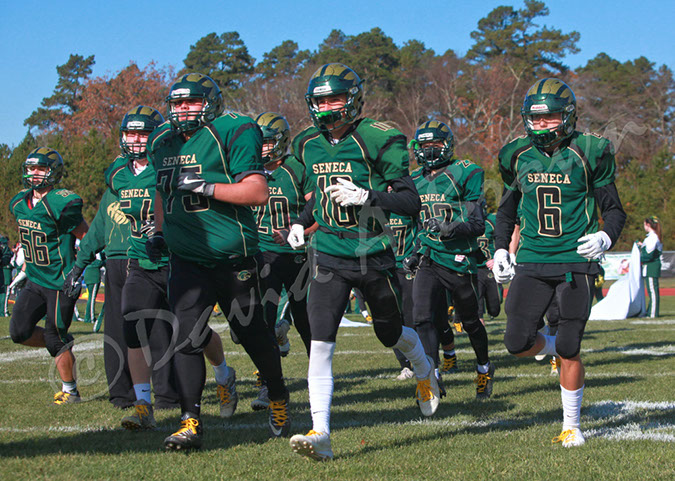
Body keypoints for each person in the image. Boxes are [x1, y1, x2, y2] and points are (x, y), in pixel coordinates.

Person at [286, 63, 437, 461]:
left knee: (390, 333)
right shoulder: (307, 143)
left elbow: (411, 201)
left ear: (353, 100)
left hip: (373, 255)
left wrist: (368, 196)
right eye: (319, 101)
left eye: (334, 99)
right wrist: (300, 223)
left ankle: (423, 368)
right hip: (328, 255)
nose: (326, 107)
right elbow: (318, 196)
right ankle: (321, 433)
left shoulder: (378, 138)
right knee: (320, 342)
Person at [147, 73, 291, 451]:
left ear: (210, 103)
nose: (183, 109)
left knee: (252, 334)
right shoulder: (161, 140)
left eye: (191, 101)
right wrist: (159, 232)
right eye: (177, 103)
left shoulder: (234, 129)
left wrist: (206, 187)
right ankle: (190, 421)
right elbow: (162, 190)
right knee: (186, 338)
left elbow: (257, 192)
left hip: (233, 256)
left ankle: (278, 394)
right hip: (187, 259)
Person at [493, 78, 626, 447]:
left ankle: (572, 426)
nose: (541, 125)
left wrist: (605, 237)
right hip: (532, 259)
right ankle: (557, 344)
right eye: (535, 118)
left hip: (575, 260)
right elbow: (505, 212)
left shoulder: (590, 150)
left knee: (570, 348)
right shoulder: (516, 154)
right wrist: (501, 249)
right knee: (516, 342)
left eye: (549, 117)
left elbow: (614, 210)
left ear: (567, 117)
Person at [406, 120, 493, 400]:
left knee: (470, 322)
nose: (430, 151)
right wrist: (415, 252)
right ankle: (431, 374)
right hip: (430, 257)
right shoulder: (414, 179)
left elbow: (478, 224)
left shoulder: (466, 172)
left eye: (435, 144)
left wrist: (450, 227)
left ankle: (484, 367)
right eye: (424, 145)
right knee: (422, 318)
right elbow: (418, 224)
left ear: (448, 145)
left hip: (459, 259)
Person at [9, 147, 88, 404]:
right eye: (31, 168)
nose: (34, 173)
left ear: (53, 172)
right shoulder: (19, 203)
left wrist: (80, 269)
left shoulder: (60, 203)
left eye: (40, 168)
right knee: (19, 332)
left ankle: (70, 391)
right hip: (35, 279)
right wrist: (24, 269)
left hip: (59, 281)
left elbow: (85, 237)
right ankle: (63, 341)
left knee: (55, 337)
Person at [252, 111, 314, 410]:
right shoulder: (248, 169)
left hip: (297, 255)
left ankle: (318, 380)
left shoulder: (296, 169)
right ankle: (269, 383)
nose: (263, 148)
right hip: (262, 253)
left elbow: (319, 210)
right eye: (260, 142)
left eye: (268, 142)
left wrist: (300, 232)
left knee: (306, 320)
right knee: (262, 320)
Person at [65, 187, 135, 408]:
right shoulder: (112, 191)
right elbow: (96, 232)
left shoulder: (151, 181)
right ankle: (127, 393)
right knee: (119, 329)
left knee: (156, 326)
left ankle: (165, 393)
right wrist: (78, 267)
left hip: (147, 258)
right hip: (121, 260)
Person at [476, 211, 502, 324]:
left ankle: (491, 311)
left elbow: (503, 239)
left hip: (490, 268)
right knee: (477, 305)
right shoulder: (465, 220)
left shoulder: (492, 220)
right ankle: (480, 326)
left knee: (495, 309)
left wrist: (497, 258)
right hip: (474, 268)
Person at [638, 216, 662, 317]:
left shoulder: (653, 237)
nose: (644, 226)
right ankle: (650, 311)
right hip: (650, 267)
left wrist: (639, 258)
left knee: (652, 291)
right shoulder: (652, 237)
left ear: (648, 225)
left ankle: (653, 313)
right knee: (651, 290)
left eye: (644, 224)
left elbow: (649, 255)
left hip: (651, 267)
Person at [83, 253, 105, 326]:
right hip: (93, 277)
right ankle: (90, 318)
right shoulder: (97, 255)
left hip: (88, 275)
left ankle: (88, 316)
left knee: (90, 298)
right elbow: (98, 262)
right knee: (92, 299)